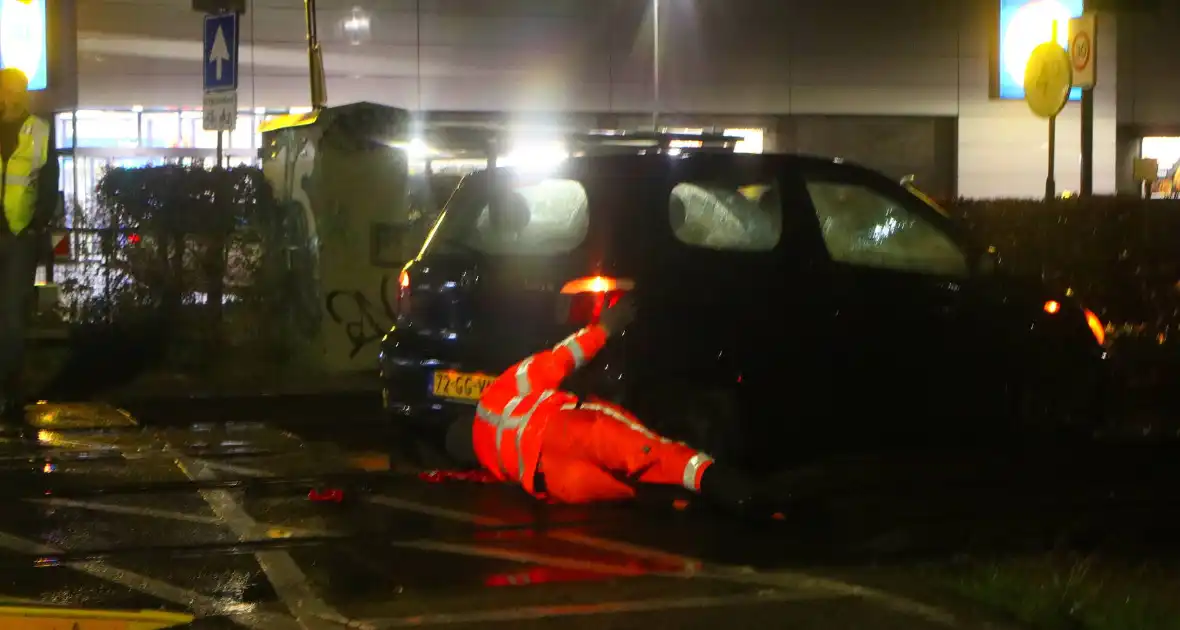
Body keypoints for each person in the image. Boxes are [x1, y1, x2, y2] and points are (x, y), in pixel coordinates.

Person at [448, 295, 759, 514]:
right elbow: (559, 361)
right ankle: (725, 484)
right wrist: (605, 328)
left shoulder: (491, 462)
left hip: (558, 481)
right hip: (563, 429)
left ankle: (694, 498)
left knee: (634, 488)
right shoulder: (492, 399)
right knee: (649, 452)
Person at [0, 68, 56, 420]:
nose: (14, 95)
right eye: (8, 88)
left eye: (19, 89)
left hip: (19, 235)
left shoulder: (38, 130)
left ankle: (8, 391)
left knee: (11, 318)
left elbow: (49, 183)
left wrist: (37, 225)